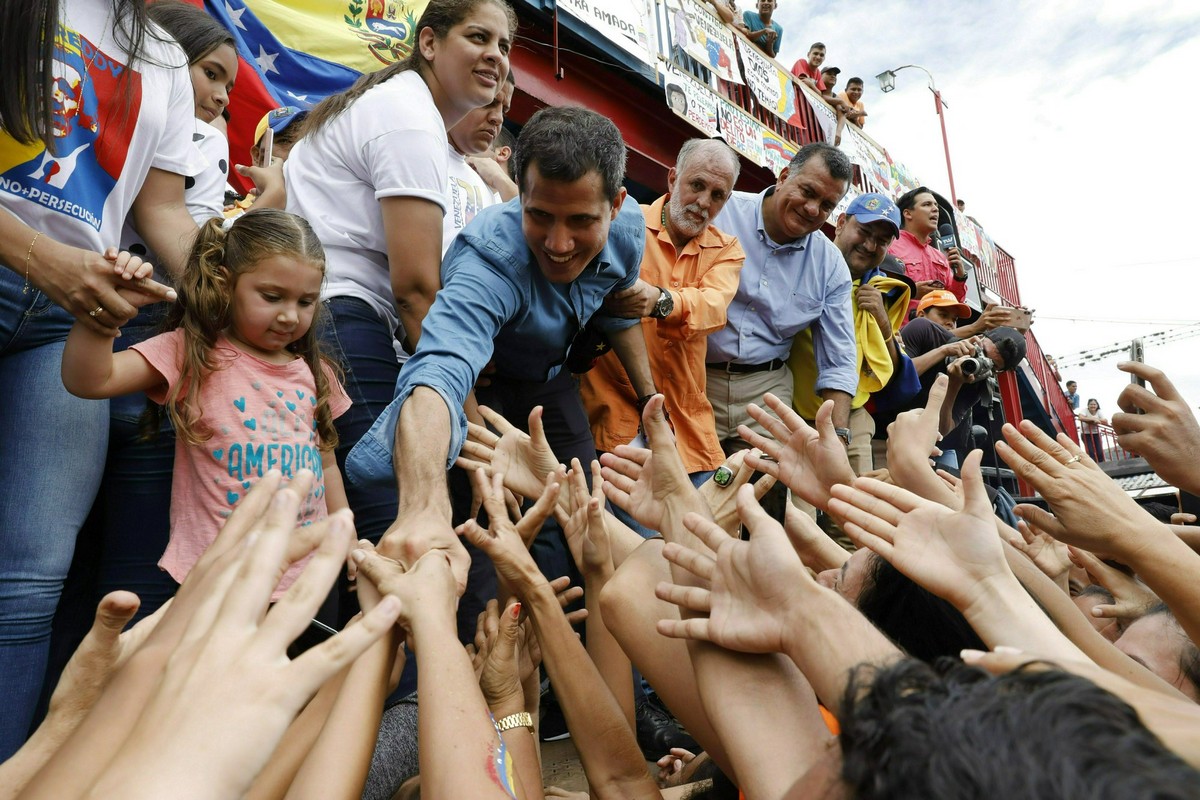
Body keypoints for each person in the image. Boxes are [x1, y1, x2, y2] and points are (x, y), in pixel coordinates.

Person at [345, 105, 657, 603]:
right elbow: (440, 370)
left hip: (554, 385)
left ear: (616, 205)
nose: (558, 244)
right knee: (494, 525)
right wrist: (423, 507)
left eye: (581, 221)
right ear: (519, 192)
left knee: (585, 514)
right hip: (487, 393)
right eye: (539, 216)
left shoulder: (627, 233)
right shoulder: (489, 258)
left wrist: (650, 400)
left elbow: (618, 312)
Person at [0, 0, 203, 758]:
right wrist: (42, 260)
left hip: (70, 316)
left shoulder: (166, 58)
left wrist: (240, 296)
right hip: (48, 277)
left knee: (28, 583)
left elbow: (165, 214)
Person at [283, 0, 516, 554]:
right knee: (400, 531)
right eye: (479, 37)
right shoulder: (407, 114)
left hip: (352, 320)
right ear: (430, 42)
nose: (496, 56)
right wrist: (471, 426)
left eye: (504, 46)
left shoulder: (410, 110)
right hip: (344, 317)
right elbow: (416, 292)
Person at [61, 209, 351, 600]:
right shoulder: (190, 352)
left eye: (306, 301)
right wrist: (106, 311)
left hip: (306, 582)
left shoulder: (316, 373)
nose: (288, 315)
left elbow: (326, 464)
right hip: (217, 581)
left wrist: (342, 534)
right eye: (271, 296)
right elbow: (90, 380)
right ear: (225, 283)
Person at [74, 0, 241, 630]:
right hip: (119, 317)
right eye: (212, 74)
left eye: (229, 81)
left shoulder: (202, 133)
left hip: (156, 326)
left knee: (71, 566)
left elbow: (172, 214)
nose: (222, 95)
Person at [580, 138, 744, 502]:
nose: (703, 202)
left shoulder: (727, 249)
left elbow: (714, 308)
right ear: (673, 179)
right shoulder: (624, 221)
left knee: (695, 537)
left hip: (686, 420)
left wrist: (660, 301)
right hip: (613, 408)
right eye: (696, 185)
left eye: (717, 195)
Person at [705, 141, 857, 455]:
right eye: (808, 192)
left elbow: (839, 361)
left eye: (827, 205)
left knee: (764, 496)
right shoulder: (720, 211)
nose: (813, 209)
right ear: (784, 176)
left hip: (767, 390)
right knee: (680, 488)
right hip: (693, 375)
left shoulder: (830, 266)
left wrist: (838, 437)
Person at [790, 193, 917, 475]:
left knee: (851, 511)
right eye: (864, 231)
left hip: (852, 418)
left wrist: (884, 323)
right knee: (798, 514)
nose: (870, 245)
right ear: (841, 223)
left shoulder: (883, 292)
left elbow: (890, 371)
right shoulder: (801, 264)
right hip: (793, 412)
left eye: (882, 241)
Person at [443, 71, 517, 255]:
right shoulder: (422, 149)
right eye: (489, 102)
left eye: (504, 110)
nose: (498, 118)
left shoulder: (490, 187)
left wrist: (501, 179)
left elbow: (535, 225)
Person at [888, 186, 968, 311]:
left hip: (937, 329)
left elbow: (954, 303)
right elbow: (878, 291)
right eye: (927, 204)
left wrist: (960, 276)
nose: (935, 209)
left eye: (935, 205)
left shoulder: (940, 257)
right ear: (907, 213)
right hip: (900, 328)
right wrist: (912, 291)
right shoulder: (889, 245)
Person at [1077, 398, 1108, 462]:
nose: (1093, 406)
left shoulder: (1099, 411)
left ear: (1097, 405)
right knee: (1090, 451)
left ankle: (1101, 464)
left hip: (1096, 433)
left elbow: (1105, 421)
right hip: (1086, 434)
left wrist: (1092, 419)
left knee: (1099, 451)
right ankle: (1093, 464)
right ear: (1088, 405)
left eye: (1094, 404)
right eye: (1091, 404)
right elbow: (1080, 417)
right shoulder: (1085, 410)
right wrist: (1093, 420)